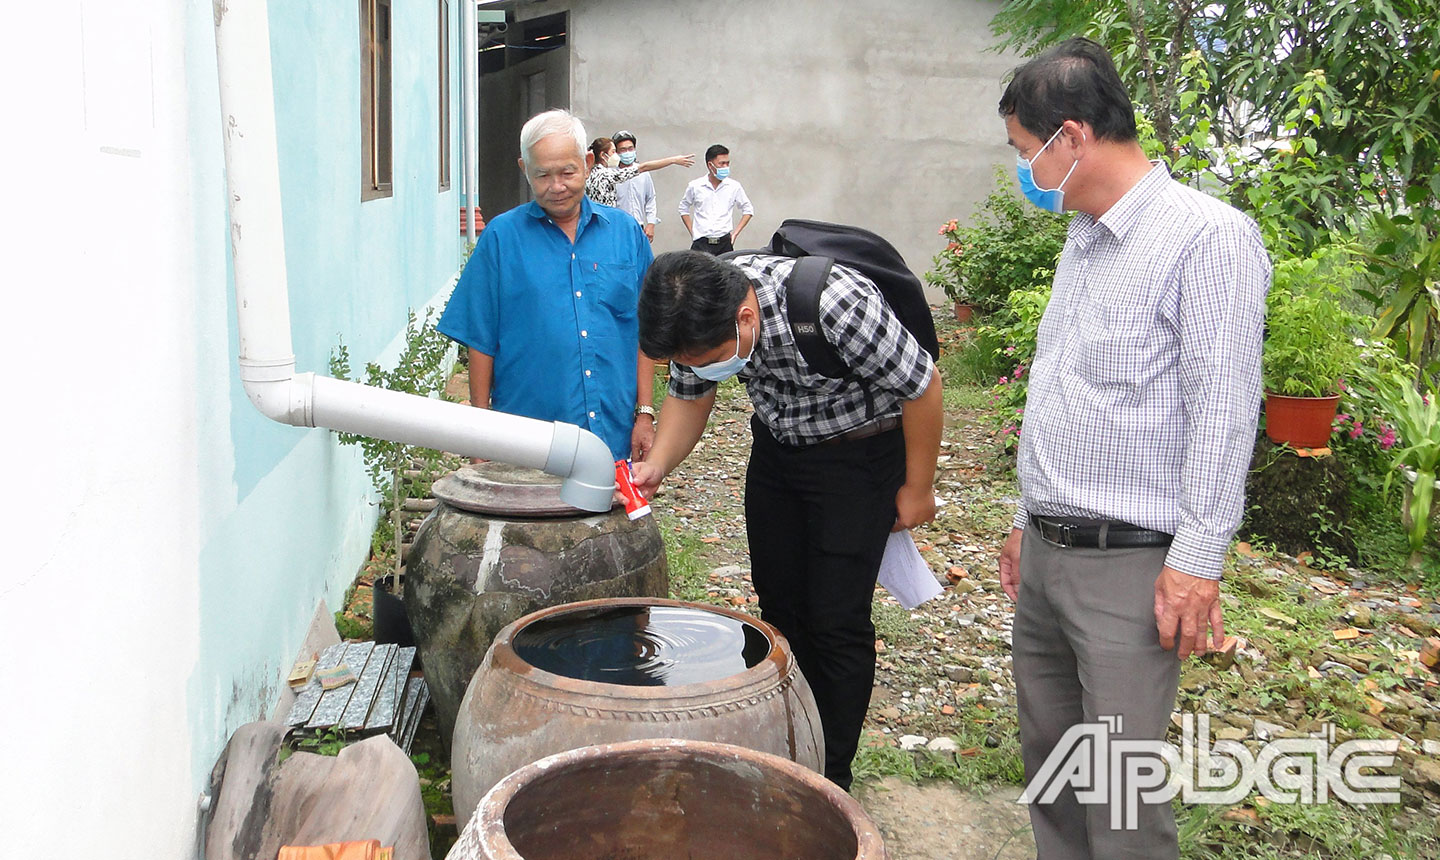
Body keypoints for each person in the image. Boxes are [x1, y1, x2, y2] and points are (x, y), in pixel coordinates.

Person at [995, 38, 1269, 860]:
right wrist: (1024, 515)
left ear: (1070, 138)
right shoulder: (1084, 237)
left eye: (1023, 151)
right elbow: (1061, 386)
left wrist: (1197, 561)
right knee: (1053, 767)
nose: (1023, 170)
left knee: (1120, 795)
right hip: (1048, 552)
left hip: (1130, 568)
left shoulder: (1206, 240)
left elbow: (1224, 412)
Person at [630, 250, 943, 791]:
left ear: (746, 318)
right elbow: (690, 394)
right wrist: (658, 462)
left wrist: (918, 489)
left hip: (859, 455)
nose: (702, 367)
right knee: (777, 605)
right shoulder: (696, 315)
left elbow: (922, 385)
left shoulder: (833, 305)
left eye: (710, 357)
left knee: (836, 618)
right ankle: (788, 739)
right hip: (779, 452)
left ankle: (830, 774)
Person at [438, 109, 661, 462]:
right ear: (525, 169)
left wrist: (645, 413)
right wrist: (479, 430)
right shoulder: (501, 238)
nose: (556, 186)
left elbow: (646, 329)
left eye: (567, 172)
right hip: (526, 439)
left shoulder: (626, 234)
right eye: (542, 175)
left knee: (607, 517)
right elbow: (480, 338)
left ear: (588, 163)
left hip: (612, 435)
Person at [678, 144, 753, 255]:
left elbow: (748, 210)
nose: (725, 167)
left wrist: (735, 234)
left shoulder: (734, 186)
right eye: (721, 163)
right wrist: (693, 232)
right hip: (701, 242)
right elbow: (683, 208)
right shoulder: (696, 186)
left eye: (727, 163)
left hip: (724, 242)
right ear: (710, 165)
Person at [584, 137, 693, 209]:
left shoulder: (590, 173)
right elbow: (644, 167)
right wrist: (673, 160)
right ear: (603, 155)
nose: (615, 155)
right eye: (613, 151)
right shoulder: (605, 174)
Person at [611, 130, 658, 242]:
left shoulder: (644, 173)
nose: (627, 152)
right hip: (617, 228)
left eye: (630, 148)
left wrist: (651, 223)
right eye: (623, 150)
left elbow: (650, 199)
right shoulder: (611, 174)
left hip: (638, 227)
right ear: (616, 152)